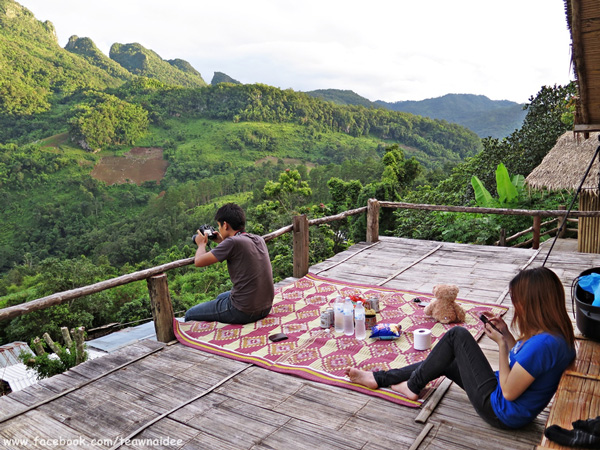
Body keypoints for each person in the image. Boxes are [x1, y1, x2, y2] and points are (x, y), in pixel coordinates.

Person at [345, 267, 576, 429]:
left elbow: (508, 391)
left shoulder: (545, 344)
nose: (515, 306)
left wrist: (501, 346)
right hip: (506, 402)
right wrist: (506, 334)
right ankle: (379, 378)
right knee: (446, 357)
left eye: (517, 300)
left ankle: (412, 387)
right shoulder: (555, 336)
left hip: (500, 410)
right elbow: (525, 362)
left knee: (457, 335)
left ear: (531, 303)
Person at [184, 203, 274, 324]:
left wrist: (201, 244)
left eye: (219, 226)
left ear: (225, 225)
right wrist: (222, 241)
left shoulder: (232, 243)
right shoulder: (258, 238)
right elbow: (237, 247)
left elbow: (199, 261)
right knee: (221, 297)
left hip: (243, 311)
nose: (219, 230)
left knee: (190, 314)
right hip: (265, 307)